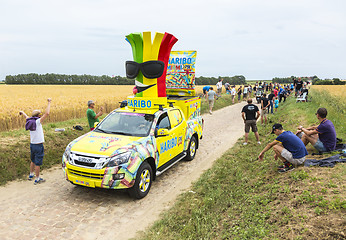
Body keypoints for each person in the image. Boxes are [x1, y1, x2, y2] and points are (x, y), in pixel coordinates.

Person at [19, 98, 52, 184]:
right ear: (38, 116)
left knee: (33, 160)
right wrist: (49, 102)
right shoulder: (37, 122)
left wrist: (22, 112)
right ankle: (37, 178)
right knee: (38, 163)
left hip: (32, 145)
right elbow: (47, 113)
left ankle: (31, 174)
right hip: (38, 145)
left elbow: (26, 117)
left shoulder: (30, 121)